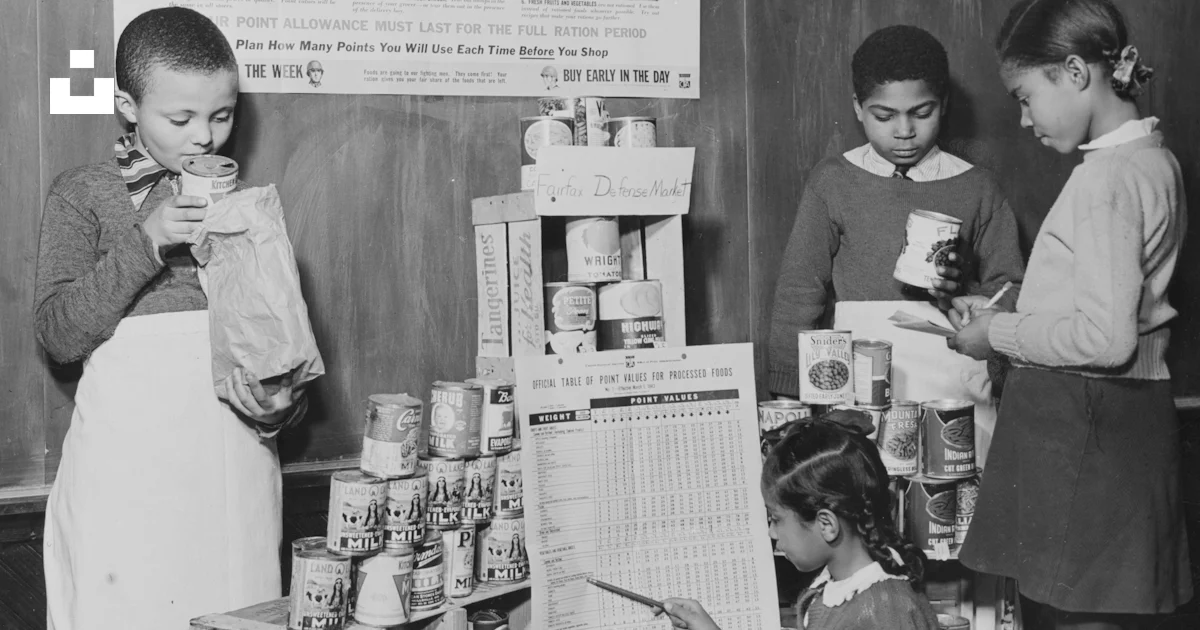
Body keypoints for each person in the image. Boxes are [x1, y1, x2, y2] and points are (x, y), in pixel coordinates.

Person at [35, 7, 307, 629]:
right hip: (125, 491)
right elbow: (57, 335)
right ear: (127, 106)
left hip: (231, 483)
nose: (205, 137)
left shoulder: (252, 211)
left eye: (222, 114)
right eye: (180, 118)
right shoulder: (83, 195)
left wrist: (278, 407)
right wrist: (146, 243)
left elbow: (280, 363)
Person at [948, 1, 1192, 628]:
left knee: (1073, 613)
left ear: (1076, 72)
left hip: (1083, 418)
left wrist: (995, 333)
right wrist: (1012, 306)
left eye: (1025, 97)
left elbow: (1106, 339)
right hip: (1125, 416)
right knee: (1094, 608)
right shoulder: (1154, 158)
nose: (1024, 119)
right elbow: (1106, 298)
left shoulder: (1103, 178)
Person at [766, 25, 1025, 466]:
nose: (904, 131)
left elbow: (1012, 289)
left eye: (921, 113)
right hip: (858, 386)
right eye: (884, 117)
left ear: (943, 104)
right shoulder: (833, 181)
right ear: (858, 109)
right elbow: (798, 290)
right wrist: (790, 392)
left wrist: (971, 299)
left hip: (955, 379)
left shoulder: (977, 187)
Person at [656, 416, 939, 629]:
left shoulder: (884, 613)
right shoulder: (839, 588)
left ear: (826, 524)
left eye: (776, 519)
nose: (772, 531)